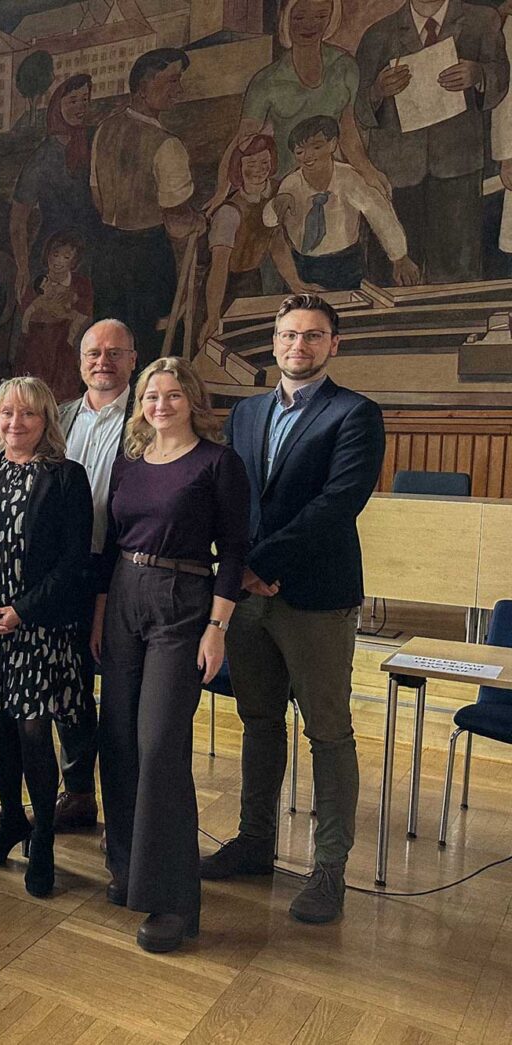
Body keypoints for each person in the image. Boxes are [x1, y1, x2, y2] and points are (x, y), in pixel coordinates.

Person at [202, 294, 385, 925]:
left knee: (328, 732)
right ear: (273, 343)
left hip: (315, 597)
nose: (297, 347)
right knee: (258, 720)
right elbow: (233, 499)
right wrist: (236, 570)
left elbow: (337, 505)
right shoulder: (247, 413)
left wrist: (262, 564)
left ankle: (328, 868)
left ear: (334, 344)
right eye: (287, 336)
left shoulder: (355, 414)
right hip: (250, 598)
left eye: (312, 337)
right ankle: (256, 841)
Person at [94, 356, 251, 954]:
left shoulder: (218, 463)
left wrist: (217, 627)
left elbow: (234, 550)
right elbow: (112, 540)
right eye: (151, 396)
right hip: (125, 593)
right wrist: (103, 609)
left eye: (172, 395)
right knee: (119, 738)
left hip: (184, 601)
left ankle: (175, 902)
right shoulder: (129, 462)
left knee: (160, 744)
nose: (161, 405)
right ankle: (129, 869)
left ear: (192, 401)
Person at [0, 377, 92, 897]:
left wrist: (20, 611)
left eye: (28, 415)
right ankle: (11, 820)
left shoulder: (66, 478)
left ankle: (42, 837)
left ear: (46, 423)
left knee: (34, 732)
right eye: (7, 414)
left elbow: (72, 561)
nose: (15, 423)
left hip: (36, 629)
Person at [52, 319, 138, 832]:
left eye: (114, 352)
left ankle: (125, 804)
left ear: (132, 359)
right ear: (80, 359)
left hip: (127, 572)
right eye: (93, 352)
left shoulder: (148, 416)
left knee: (121, 689)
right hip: (66, 573)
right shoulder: (58, 417)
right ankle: (78, 791)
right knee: (70, 687)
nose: (102, 361)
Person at [356, 0, 509, 283]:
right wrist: (377, 90)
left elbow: (501, 79)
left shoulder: (482, 21)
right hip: (397, 171)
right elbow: (357, 110)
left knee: (456, 270)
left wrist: (479, 74)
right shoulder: (379, 34)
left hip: (457, 165)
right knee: (391, 273)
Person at [208, 0, 388, 203]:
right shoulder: (267, 81)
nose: (310, 25)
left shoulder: (344, 67)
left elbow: (348, 133)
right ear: (285, 18)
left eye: (320, 16)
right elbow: (243, 141)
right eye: (299, 17)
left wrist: (368, 171)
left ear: (331, 17)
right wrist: (221, 191)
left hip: (331, 182)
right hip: (284, 185)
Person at [90, 49, 204, 366]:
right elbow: (176, 220)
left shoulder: (104, 130)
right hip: (148, 260)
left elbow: (98, 196)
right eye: (171, 81)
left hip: (107, 255)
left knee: (111, 348)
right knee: (149, 350)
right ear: (143, 86)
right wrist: (196, 221)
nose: (178, 90)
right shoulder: (167, 145)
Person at [265, 115, 421, 290]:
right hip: (303, 266)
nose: (308, 156)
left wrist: (399, 257)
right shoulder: (291, 184)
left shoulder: (349, 179)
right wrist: (277, 204)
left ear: (332, 144)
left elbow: (379, 213)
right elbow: (269, 221)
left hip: (346, 264)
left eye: (317, 147)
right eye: (300, 151)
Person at [200, 134, 310, 351]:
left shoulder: (275, 194)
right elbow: (219, 266)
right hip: (222, 288)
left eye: (265, 162)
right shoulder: (229, 212)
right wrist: (213, 315)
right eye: (251, 164)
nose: (260, 169)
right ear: (238, 169)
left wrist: (296, 285)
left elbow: (277, 244)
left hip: (252, 281)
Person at [11, 74, 101, 302]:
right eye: (73, 101)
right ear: (56, 106)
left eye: (85, 99)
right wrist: (23, 269)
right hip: (54, 252)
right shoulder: (42, 157)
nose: (80, 107)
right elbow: (18, 220)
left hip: (95, 248)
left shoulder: (95, 140)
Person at [17, 231, 91, 402]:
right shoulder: (38, 282)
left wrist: (70, 331)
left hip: (64, 339)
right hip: (38, 339)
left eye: (66, 257)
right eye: (55, 255)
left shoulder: (80, 284)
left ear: (74, 261)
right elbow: (27, 312)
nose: (58, 261)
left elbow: (84, 313)